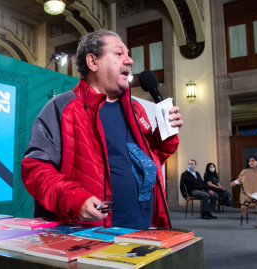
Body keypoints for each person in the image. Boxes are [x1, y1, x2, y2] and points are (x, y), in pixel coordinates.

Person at [21, 29, 182, 229]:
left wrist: (165, 136)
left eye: (128, 54)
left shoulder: (136, 110)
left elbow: (150, 162)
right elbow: (35, 170)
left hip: (144, 232)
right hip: (92, 238)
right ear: (92, 62)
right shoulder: (62, 107)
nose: (130, 60)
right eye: (119, 53)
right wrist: (75, 199)